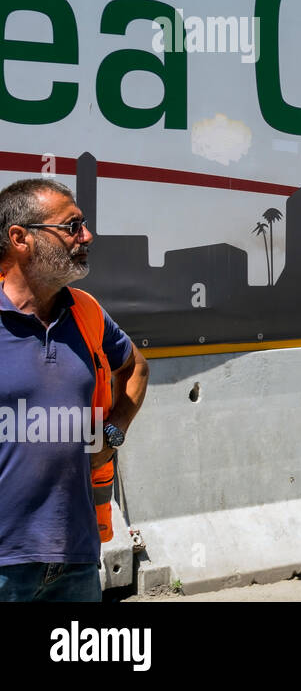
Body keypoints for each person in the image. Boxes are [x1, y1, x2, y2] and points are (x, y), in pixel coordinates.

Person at [0, 178, 148, 601]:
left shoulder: (85, 312)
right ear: (20, 238)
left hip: (76, 557)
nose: (86, 236)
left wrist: (113, 434)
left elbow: (136, 368)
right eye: (72, 226)